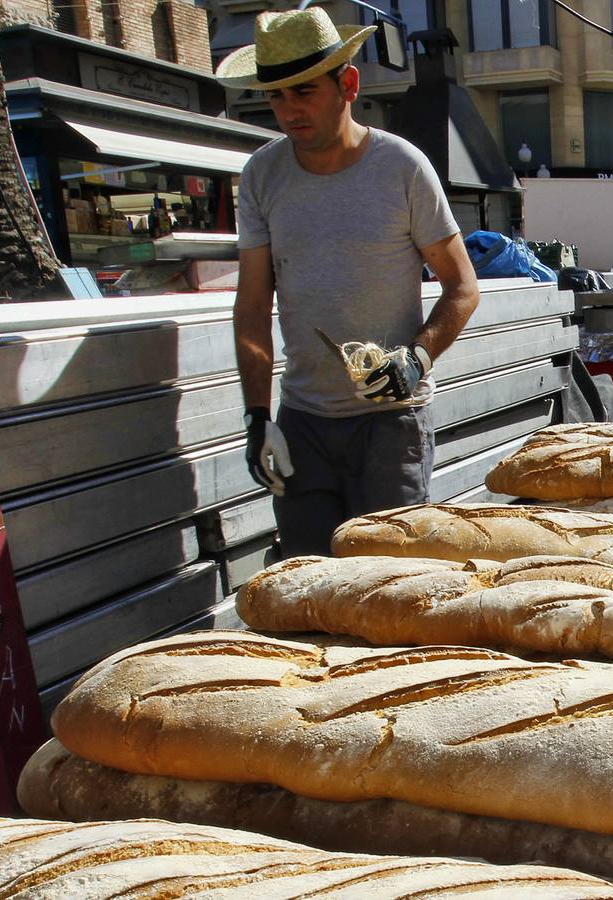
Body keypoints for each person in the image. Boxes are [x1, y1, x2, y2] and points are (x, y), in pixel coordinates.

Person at [223, 8, 480, 558]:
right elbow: (251, 309)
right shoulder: (262, 176)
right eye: (276, 97)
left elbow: (463, 286)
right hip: (304, 423)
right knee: (306, 583)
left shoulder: (402, 168)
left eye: (303, 92)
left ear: (349, 84)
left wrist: (416, 360)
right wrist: (256, 417)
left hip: (392, 423)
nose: (289, 110)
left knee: (392, 582)